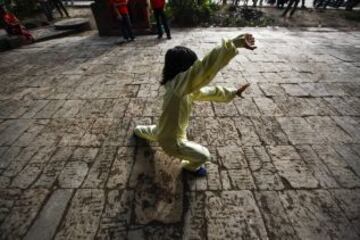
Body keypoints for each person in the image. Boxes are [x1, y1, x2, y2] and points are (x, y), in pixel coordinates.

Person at [134, 34, 256, 177]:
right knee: (203, 156)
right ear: (186, 69)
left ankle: (137, 130)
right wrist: (235, 43)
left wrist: (233, 92)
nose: (195, 69)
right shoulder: (179, 86)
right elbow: (205, 67)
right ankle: (191, 168)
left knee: (145, 131)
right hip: (173, 143)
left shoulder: (176, 85)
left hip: (162, 129)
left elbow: (207, 92)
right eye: (192, 67)